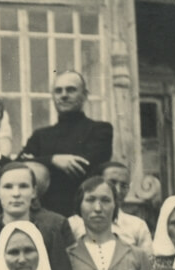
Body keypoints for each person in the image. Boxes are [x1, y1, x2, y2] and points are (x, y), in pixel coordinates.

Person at [21, 70, 113, 217]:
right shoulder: (40, 135)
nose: (63, 95)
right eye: (58, 91)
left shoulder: (100, 130)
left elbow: (85, 165)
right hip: (44, 216)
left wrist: (39, 161)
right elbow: (19, 165)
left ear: (84, 95)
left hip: (83, 214)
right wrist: (53, 160)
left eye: (71, 90)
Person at [0, 163, 74, 270]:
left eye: (23, 186)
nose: (16, 194)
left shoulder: (50, 234)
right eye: (8, 187)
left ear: (34, 192)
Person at [68, 162, 153, 253]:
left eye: (124, 186)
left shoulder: (137, 226)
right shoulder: (73, 224)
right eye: (112, 183)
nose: (118, 190)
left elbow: (147, 259)